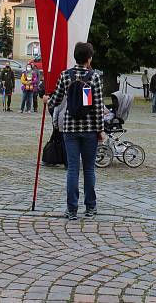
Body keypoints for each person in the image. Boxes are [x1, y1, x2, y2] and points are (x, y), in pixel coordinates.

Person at [44, 42, 106, 220]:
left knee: (72, 169)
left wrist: (47, 99)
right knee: (89, 169)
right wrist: (99, 130)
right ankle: (90, 208)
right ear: (89, 58)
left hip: (69, 130)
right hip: (89, 130)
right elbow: (97, 107)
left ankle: (72, 209)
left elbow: (55, 100)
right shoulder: (94, 77)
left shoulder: (65, 75)